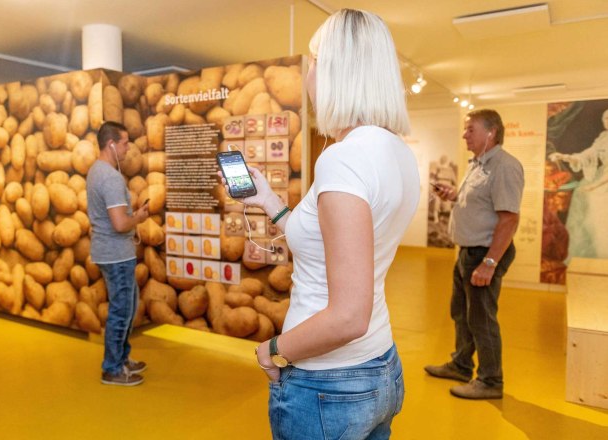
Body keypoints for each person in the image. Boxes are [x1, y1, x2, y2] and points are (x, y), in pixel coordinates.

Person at [223, 9, 419, 439]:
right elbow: (336, 250)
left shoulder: (343, 158)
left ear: (335, 72)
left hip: (328, 383)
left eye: (313, 61)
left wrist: (273, 351)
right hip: (379, 367)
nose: (308, 73)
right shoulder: (397, 152)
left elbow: (349, 316)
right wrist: (269, 201)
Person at [425, 109, 524, 399]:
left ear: (491, 133)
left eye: (471, 130)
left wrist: (489, 263)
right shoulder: (479, 164)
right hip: (468, 252)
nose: (465, 134)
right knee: (461, 313)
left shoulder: (504, 166)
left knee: (482, 318)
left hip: (485, 253)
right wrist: (454, 194)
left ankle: (491, 381)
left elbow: (509, 219)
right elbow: (480, 201)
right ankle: (461, 364)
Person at [86, 121, 150, 386]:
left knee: (127, 306)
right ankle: (111, 368)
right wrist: (139, 217)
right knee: (121, 311)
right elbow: (120, 223)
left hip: (111, 252)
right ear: (111, 144)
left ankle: (122, 359)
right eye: (124, 143)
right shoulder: (110, 177)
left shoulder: (96, 171)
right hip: (116, 254)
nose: (128, 148)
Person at [549, 108, 608, 259]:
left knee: (598, 217)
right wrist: (566, 157)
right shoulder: (603, 137)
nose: (606, 121)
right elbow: (588, 155)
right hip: (598, 178)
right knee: (582, 202)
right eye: (605, 118)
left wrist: (594, 186)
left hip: (604, 182)